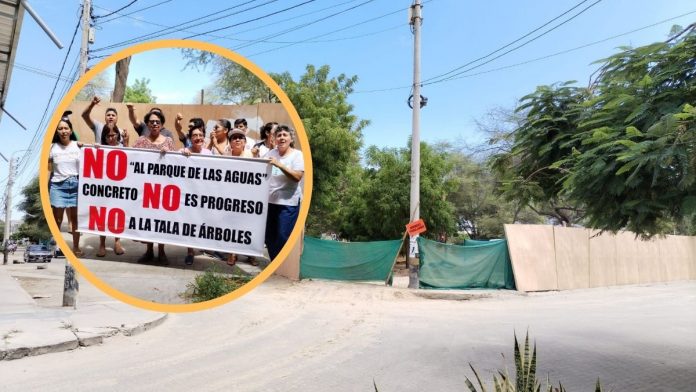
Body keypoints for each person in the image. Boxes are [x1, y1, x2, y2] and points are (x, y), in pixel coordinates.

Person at [133, 111, 175, 264]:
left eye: (157, 121)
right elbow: (131, 158)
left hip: (163, 189)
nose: (154, 124)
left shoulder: (168, 141)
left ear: (162, 124)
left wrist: (169, 153)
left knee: (161, 221)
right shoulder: (141, 141)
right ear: (147, 124)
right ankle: (149, 251)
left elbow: (176, 163)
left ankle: (162, 252)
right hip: (146, 189)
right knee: (148, 221)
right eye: (151, 121)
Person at [265, 125, 304, 261]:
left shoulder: (297, 155)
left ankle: (280, 265)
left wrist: (279, 165)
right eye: (279, 135)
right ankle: (274, 262)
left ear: (290, 138)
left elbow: (297, 176)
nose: (281, 138)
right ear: (274, 139)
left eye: (284, 135)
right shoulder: (271, 154)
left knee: (282, 236)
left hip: (288, 203)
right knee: (269, 236)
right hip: (270, 202)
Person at [49, 111, 83, 257]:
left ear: (71, 130)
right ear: (56, 131)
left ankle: (76, 247)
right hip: (57, 186)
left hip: (75, 184)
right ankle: (57, 246)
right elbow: (45, 167)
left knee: (75, 220)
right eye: (60, 129)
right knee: (57, 219)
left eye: (66, 128)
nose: (63, 131)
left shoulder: (79, 146)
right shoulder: (51, 148)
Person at [180, 121, 211, 265]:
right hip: (188, 194)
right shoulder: (184, 151)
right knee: (189, 222)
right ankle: (190, 252)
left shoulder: (209, 153)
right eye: (195, 135)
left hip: (203, 193)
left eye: (200, 135)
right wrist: (182, 153)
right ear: (190, 138)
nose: (198, 137)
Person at [94, 126, 128, 257]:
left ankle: (117, 242)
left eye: (114, 135)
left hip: (119, 187)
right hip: (103, 188)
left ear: (118, 136)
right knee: (102, 215)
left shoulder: (123, 149)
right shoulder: (99, 149)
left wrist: (126, 143)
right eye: (108, 136)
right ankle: (102, 244)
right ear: (104, 138)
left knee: (117, 215)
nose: (111, 138)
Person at [226, 127, 254, 266]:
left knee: (248, 226)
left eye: (240, 138)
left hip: (248, 197)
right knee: (232, 225)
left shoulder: (251, 155)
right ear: (230, 142)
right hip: (230, 196)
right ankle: (232, 253)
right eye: (234, 138)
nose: (237, 140)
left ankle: (250, 254)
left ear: (244, 141)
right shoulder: (225, 156)